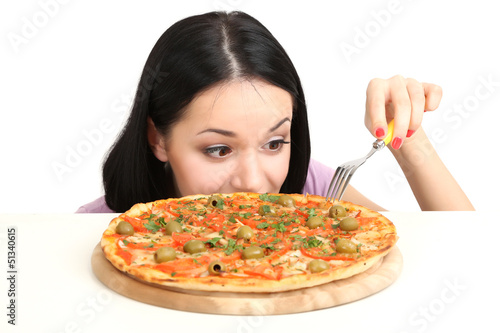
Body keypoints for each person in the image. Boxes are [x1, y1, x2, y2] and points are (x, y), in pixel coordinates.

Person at [76, 11, 474, 213]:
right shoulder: (95, 231)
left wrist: (409, 140)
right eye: (218, 149)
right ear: (158, 139)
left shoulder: (310, 187)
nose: (253, 181)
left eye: (273, 142)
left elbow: (464, 252)